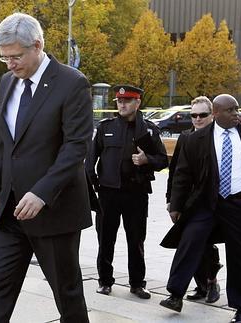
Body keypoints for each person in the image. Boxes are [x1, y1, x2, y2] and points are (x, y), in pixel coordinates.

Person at [0, 13, 93, 322]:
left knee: (67, 294)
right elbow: (5, 143)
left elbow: (76, 147)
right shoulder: (6, 82)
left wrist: (41, 193)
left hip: (53, 211)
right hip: (11, 211)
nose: (10, 64)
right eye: (4, 58)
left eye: (15, 56)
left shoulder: (72, 83)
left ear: (37, 45)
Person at [160, 94, 241, 323]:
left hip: (240, 203)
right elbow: (182, 174)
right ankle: (175, 294)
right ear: (217, 114)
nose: (236, 114)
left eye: (237, 109)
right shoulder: (197, 139)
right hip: (207, 202)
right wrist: (176, 205)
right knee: (189, 240)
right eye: (230, 110)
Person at [86, 84, 168, 300]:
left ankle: (137, 283)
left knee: (136, 240)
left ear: (138, 103)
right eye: (119, 101)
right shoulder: (106, 127)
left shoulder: (149, 130)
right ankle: (105, 281)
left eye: (127, 101)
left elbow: (162, 160)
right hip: (108, 193)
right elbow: (91, 159)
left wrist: (146, 160)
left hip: (136, 193)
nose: (122, 104)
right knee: (105, 239)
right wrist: (94, 184)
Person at [165, 96, 223, 304]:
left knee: (204, 244)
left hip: (215, 202)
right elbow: (176, 172)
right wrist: (171, 200)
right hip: (191, 203)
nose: (197, 119)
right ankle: (202, 285)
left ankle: (211, 281)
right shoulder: (186, 137)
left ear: (212, 115)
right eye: (193, 115)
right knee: (192, 242)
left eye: (202, 115)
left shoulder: (219, 137)